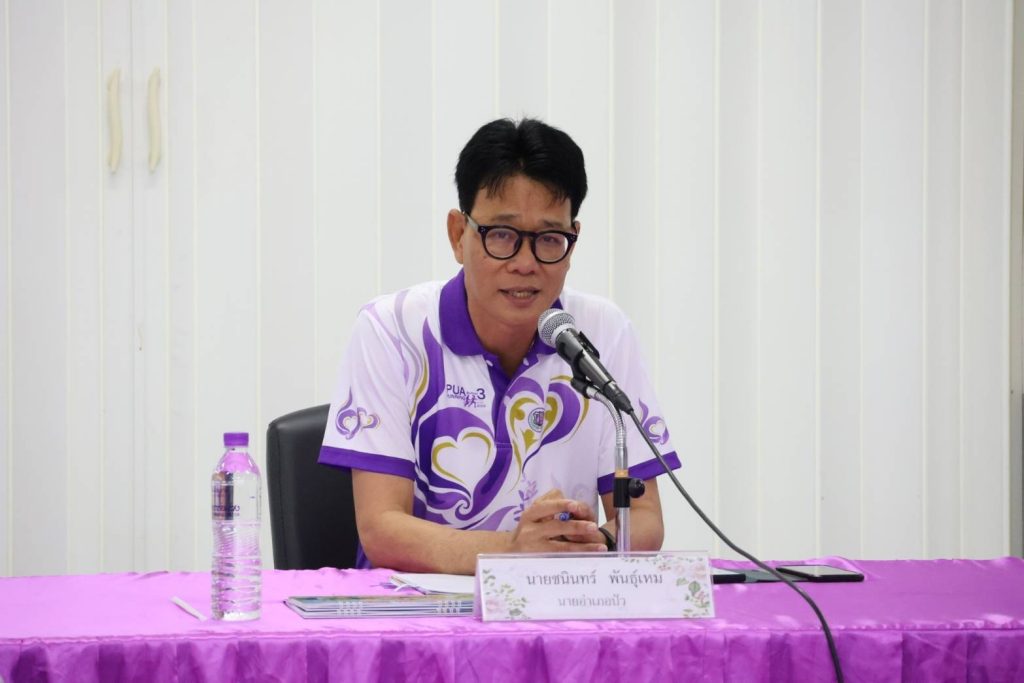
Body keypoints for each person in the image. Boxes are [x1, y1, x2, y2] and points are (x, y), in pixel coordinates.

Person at [319, 118, 681, 575]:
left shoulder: (601, 333)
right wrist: (512, 552)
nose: (526, 264)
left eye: (549, 239)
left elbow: (644, 518)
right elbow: (382, 530)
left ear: (572, 244)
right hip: (419, 608)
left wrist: (588, 545)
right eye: (502, 236)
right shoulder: (392, 330)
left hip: (558, 601)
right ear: (458, 235)